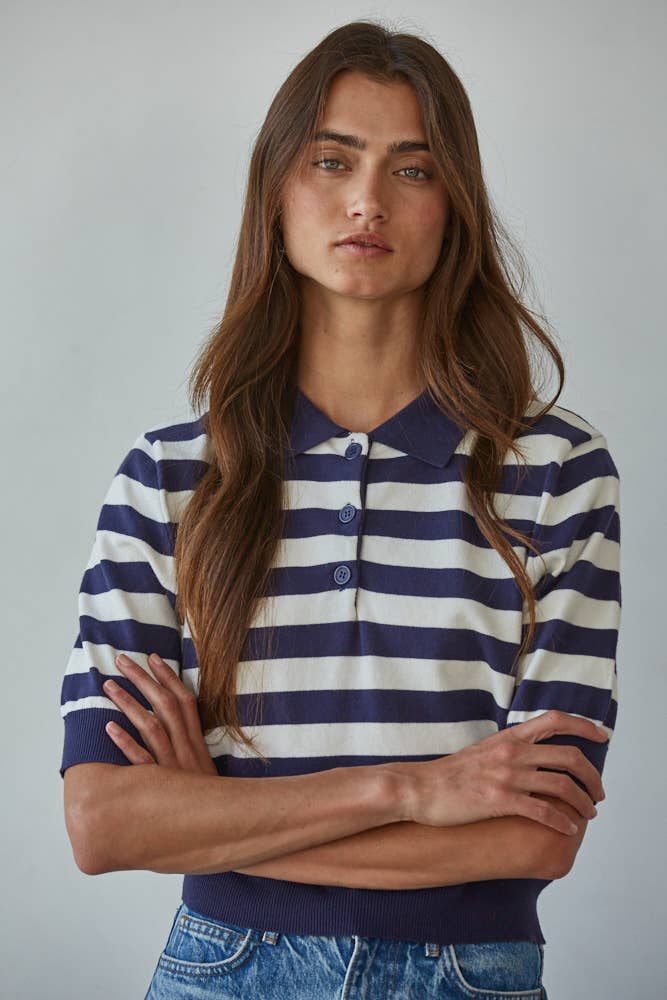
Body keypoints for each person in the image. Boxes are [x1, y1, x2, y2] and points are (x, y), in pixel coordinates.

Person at [59, 19, 621, 1000]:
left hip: (468, 975)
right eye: (331, 159)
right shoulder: (168, 477)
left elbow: (535, 838)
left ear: (455, 207)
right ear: (276, 190)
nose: (366, 200)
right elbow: (105, 825)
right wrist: (409, 789)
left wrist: (212, 812)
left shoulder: (554, 474)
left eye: (413, 168)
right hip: (218, 972)